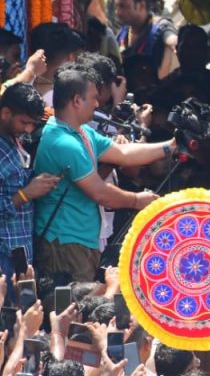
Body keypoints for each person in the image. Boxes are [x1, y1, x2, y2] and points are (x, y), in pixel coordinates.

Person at [32, 66, 172, 281]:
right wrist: (136, 200)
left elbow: (123, 153)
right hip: (65, 241)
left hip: (82, 238)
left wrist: (170, 146)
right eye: (93, 98)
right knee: (73, 308)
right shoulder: (63, 142)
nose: (98, 104)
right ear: (77, 100)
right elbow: (99, 192)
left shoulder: (82, 130)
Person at [0, 84, 58, 278]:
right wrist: (26, 194)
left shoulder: (15, 140)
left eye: (32, 124)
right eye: (24, 122)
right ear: (6, 113)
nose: (28, 129)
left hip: (20, 252)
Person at [114, 0, 179, 82]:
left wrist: (175, 43)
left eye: (123, 6)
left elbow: (171, 38)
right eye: (117, 6)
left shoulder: (160, 28)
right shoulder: (124, 32)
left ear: (141, 6)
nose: (118, 12)